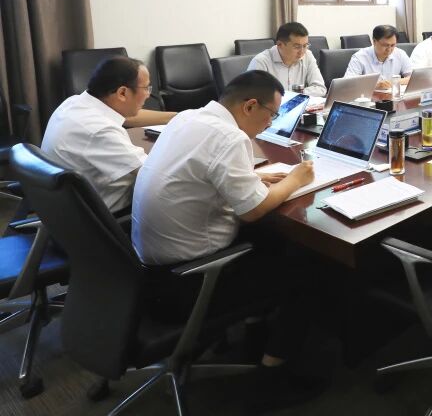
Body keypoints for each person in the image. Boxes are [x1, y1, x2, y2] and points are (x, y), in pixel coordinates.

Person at [132, 71, 318, 385]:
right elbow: (254, 210)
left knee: (269, 240)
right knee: (306, 270)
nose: (269, 124)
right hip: (187, 283)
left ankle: (254, 332)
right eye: (271, 115)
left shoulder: (189, 118)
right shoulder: (230, 138)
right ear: (249, 106)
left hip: (146, 273)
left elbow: (199, 171)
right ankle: (273, 378)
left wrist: (253, 178)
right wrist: (295, 180)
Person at [41, 56, 175, 212]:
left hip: (62, 204)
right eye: (146, 88)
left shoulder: (75, 103)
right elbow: (154, 176)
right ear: (122, 93)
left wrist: (181, 117)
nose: (147, 94)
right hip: (108, 215)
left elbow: (130, 116)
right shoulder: (100, 131)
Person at [248, 22, 326, 96]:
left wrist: (298, 94)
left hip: (299, 103)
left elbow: (320, 88)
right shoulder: (261, 62)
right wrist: (291, 96)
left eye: (305, 46)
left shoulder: (307, 55)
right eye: (297, 47)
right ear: (279, 44)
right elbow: (254, 94)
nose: (302, 52)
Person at [344, 24, 413, 88]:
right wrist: (375, 85)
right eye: (385, 45)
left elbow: (413, 77)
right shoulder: (360, 57)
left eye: (392, 45)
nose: (389, 49)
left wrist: (394, 82)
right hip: (369, 96)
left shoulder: (400, 54)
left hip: (392, 95)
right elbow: (348, 83)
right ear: (374, 41)